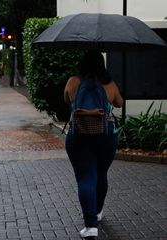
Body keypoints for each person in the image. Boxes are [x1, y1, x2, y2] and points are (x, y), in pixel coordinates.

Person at [64, 50, 123, 238]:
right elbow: (120, 103)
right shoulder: (109, 84)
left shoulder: (74, 81)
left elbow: (67, 99)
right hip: (106, 136)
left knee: (85, 178)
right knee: (101, 173)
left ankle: (90, 226)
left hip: (79, 134)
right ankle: (97, 212)